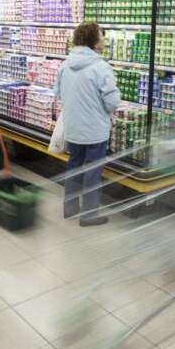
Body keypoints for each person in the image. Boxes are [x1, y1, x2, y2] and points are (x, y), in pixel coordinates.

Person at [55, 21, 120, 227]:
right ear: (93, 40)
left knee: (74, 166)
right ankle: (89, 215)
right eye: (101, 35)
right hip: (94, 130)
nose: (103, 39)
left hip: (73, 127)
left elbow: (58, 94)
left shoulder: (65, 64)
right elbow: (112, 102)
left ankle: (70, 208)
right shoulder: (101, 67)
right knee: (93, 172)